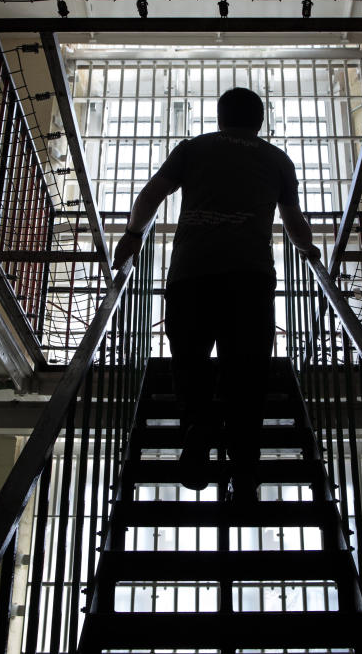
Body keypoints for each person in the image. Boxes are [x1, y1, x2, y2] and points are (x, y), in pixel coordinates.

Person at [111, 87, 321, 504]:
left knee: (189, 361)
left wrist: (133, 236)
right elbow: (294, 220)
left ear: (220, 118)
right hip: (250, 277)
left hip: (192, 274)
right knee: (246, 373)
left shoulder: (192, 149)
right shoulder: (277, 160)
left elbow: (151, 195)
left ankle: (198, 425)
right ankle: (244, 470)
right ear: (259, 122)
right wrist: (309, 250)